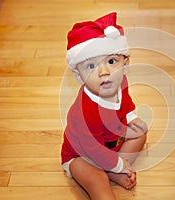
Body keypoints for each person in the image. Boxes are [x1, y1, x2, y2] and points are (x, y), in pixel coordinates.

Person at [61, 12, 148, 200]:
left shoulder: (121, 81)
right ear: (79, 76)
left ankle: (113, 170)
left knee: (140, 134)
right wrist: (117, 163)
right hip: (82, 155)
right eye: (91, 66)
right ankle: (111, 171)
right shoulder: (86, 111)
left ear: (125, 64)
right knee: (96, 179)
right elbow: (92, 148)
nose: (104, 72)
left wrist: (132, 118)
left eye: (111, 61)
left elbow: (125, 102)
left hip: (111, 141)